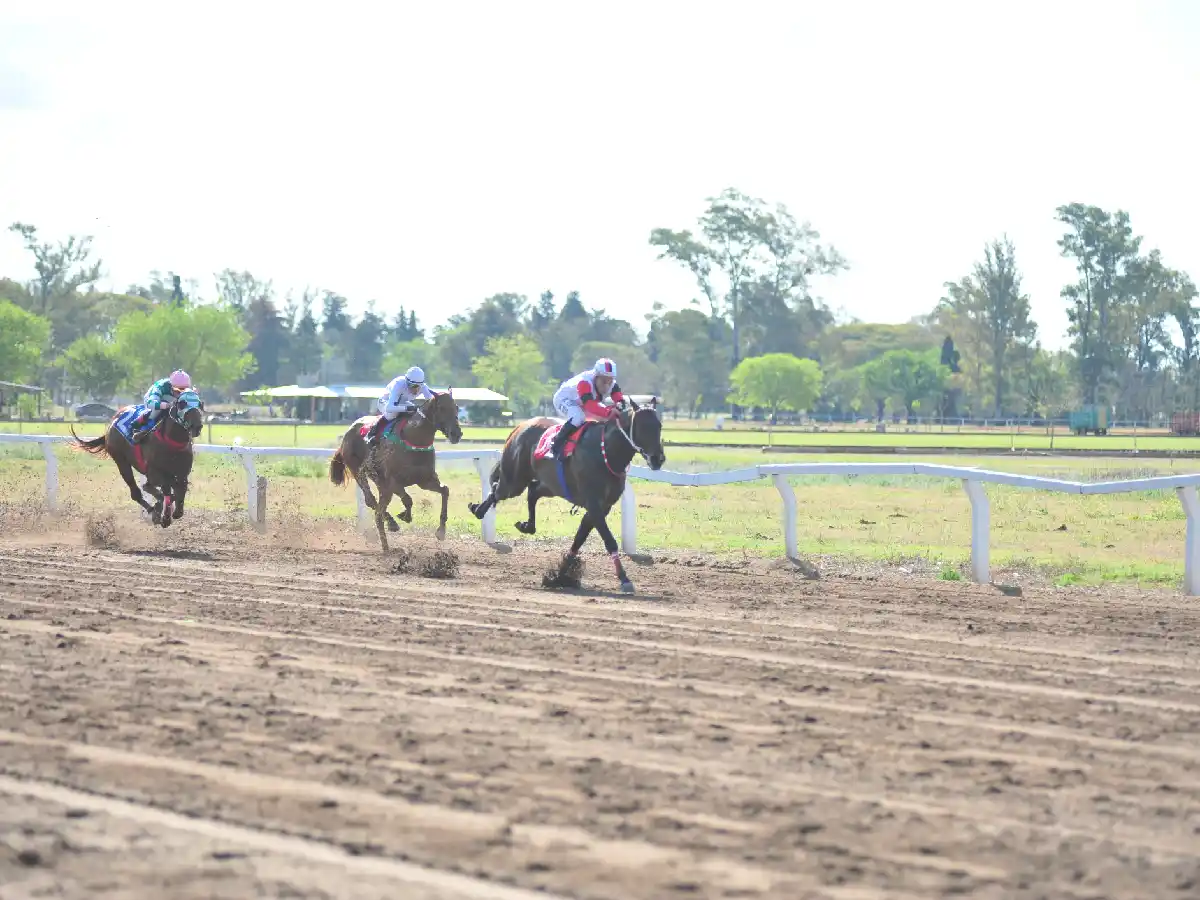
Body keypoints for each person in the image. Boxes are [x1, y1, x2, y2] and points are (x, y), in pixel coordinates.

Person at [548, 357, 626, 459]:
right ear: (596, 376)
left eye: (610, 381)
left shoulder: (613, 384)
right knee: (578, 417)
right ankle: (555, 445)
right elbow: (589, 406)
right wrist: (608, 412)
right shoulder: (585, 382)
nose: (607, 385)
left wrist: (619, 408)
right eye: (603, 381)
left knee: (605, 417)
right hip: (564, 399)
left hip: (583, 402)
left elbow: (621, 401)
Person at [366, 366, 434, 447]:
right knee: (393, 413)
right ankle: (372, 434)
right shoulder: (398, 384)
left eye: (419, 386)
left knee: (418, 413)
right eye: (413, 386)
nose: (416, 390)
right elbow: (389, 407)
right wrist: (407, 408)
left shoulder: (423, 386)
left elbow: (432, 400)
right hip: (385, 402)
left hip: (402, 402)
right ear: (407, 382)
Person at [131, 370, 192, 443]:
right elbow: (150, 403)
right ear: (171, 386)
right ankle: (142, 430)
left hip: (169, 400)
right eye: (178, 390)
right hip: (153, 398)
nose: (181, 393)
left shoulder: (187, 391)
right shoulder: (161, 387)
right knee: (156, 411)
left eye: (184, 390)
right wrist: (166, 405)